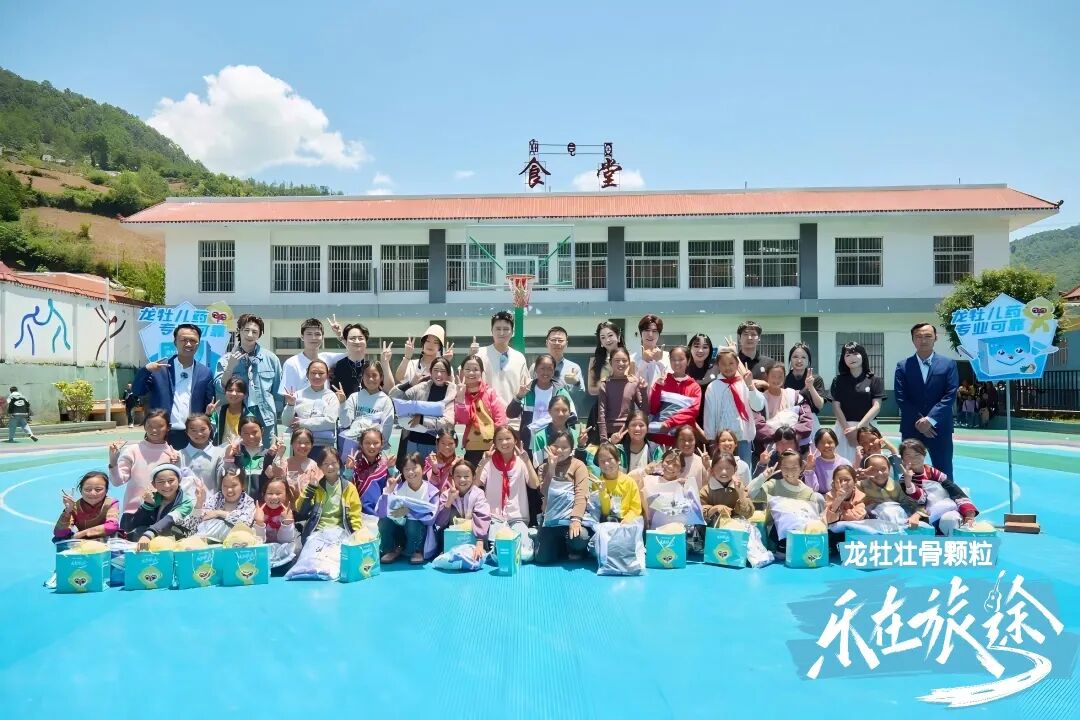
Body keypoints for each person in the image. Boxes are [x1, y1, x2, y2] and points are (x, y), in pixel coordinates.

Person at [133, 324, 216, 450]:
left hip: (193, 435)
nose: (188, 344)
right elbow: (137, 391)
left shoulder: (205, 373)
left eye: (193, 340)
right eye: (183, 340)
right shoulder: (159, 369)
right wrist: (145, 370)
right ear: (175, 342)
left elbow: (208, 404)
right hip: (163, 435)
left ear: (198, 344)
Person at [895, 322, 959, 481]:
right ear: (913, 340)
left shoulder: (948, 364)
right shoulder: (903, 366)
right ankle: (911, 495)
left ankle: (948, 496)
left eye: (928, 336)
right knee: (910, 469)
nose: (923, 340)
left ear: (936, 338)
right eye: (918, 337)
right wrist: (920, 421)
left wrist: (930, 420)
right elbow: (901, 397)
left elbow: (950, 394)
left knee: (943, 469)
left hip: (940, 427)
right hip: (911, 426)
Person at [215, 314, 283, 449]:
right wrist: (230, 367)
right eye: (246, 330)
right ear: (239, 331)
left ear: (260, 334)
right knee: (237, 454)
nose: (250, 335)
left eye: (255, 332)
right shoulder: (226, 359)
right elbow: (220, 387)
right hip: (236, 414)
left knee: (267, 454)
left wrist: (275, 414)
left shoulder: (271, 359)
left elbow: (278, 392)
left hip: (265, 416)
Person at [476, 425, 539, 562]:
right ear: (494, 442)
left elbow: (534, 484)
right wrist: (483, 462)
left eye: (508, 438)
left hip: (517, 518)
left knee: (526, 556)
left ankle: (530, 538)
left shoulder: (521, 461)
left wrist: (527, 460)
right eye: (500, 439)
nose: (504, 442)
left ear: (515, 440)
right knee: (497, 555)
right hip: (494, 518)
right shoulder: (488, 461)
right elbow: (476, 484)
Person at [899, 439, 978, 535]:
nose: (914, 459)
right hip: (920, 516)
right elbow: (921, 500)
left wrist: (969, 513)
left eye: (917, 455)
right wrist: (908, 482)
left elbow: (955, 491)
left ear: (924, 455)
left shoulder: (934, 473)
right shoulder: (903, 481)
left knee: (950, 519)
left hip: (943, 511)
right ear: (902, 459)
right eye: (908, 456)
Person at [534, 431, 591, 563]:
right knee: (542, 559)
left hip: (569, 520)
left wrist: (576, 519)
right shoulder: (543, 468)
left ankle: (574, 548)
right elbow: (543, 493)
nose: (559, 450)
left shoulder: (578, 465)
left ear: (571, 449)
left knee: (580, 538)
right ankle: (558, 545)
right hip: (550, 521)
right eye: (555, 446)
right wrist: (551, 469)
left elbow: (581, 494)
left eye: (565, 447)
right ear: (548, 446)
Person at [702, 346, 763, 464]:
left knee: (744, 469)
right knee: (723, 468)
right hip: (722, 440)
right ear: (718, 365)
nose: (728, 367)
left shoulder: (744, 383)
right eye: (723, 364)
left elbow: (758, 406)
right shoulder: (713, 386)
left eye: (731, 363)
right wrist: (711, 438)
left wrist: (750, 386)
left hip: (743, 437)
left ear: (737, 363)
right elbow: (710, 414)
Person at [110, 409, 175, 518]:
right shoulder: (133, 451)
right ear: (144, 426)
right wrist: (113, 461)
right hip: (134, 513)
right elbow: (117, 482)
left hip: (163, 515)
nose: (154, 430)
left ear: (168, 427)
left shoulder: (174, 455)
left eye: (160, 426)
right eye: (150, 426)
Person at [376, 453, 439, 564]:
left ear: (423, 469)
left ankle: (416, 551)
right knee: (384, 521)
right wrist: (387, 492)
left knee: (412, 522)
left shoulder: (431, 491)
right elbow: (381, 513)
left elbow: (431, 519)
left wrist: (409, 511)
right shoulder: (397, 488)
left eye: (414, 468)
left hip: (419, 532)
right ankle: (392, 549)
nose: (410, 472)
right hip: (400, 528)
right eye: (406, 469)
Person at [389, 356, 457, 458]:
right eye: (435, 370)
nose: (439, 374)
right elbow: (394, 397)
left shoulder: (452, 392)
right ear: (430, 372)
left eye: (443, 371)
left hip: (438, 446)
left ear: (448, 374)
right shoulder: (421, 387)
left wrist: (422, 419)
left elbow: (448, 422)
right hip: (413, 443)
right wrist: (410, 383)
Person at [294, 447, 364, 544]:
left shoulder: (349, 488)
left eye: (334, 463)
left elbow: (355, 514)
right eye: (325, 464)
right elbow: (300, 509)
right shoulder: (315, 487)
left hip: (341, 532)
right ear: (320, 466)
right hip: (318, 532)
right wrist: (310, 488)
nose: (330, 467)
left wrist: (355, 535)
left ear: (339, 464)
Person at [469, 311, 530, 423]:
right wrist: (470, 357)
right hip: (485, 419)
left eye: (506, 329)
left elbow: (525, 388)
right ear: (491, 331)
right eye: (498, 329)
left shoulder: (519, 357)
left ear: (512, 332)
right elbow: (466, 382)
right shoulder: (479, 354)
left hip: (512, 420)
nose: (502, 333)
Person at [829, 342, 885, 462]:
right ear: (843, 359)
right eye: (847, 355)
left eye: (855, 354)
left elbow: (876, 406)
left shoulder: (875, 380)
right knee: (843, 464)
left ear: (863, 355)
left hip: (868, 428)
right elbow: (836, 406)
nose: (851, 358)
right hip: (843, 429)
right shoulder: (838, 380)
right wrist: (848, 431)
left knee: (870, 462)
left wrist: (858, 429)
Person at [508, 353, 576, 452]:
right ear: (536, 369)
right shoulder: (527, 389)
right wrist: (519, 396)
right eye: (542, 368)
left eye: (550, 369)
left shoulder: (560, 391)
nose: (546, 372)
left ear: (554, 371)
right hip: (529, 442)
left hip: (554, 444)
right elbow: (511, 414)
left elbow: (571, 418)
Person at [455, 355, 508, 465]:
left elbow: (500, 420)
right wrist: (460, 399)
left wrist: (499, 443)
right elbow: (461, 422)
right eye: (467, 369)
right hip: (466, 448)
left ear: (481, 372)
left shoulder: (490, 393)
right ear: (462, 372)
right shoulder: (457, 393)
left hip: (491, 448)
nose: (471, 373)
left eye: (475, 369)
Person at [434, 459, 490, 562]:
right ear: (452, 477)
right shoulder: (446, 495)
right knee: (450, 511)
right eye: (458, 476)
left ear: (473, 477)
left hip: (474, 539)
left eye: (466, 476)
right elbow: (439, 523)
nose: (462, 480)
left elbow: (482, 516)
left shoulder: (479, 494)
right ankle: (445, 550)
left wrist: (480, 542)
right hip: (452, 541)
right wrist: (449, 502)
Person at [130, 464, 195, 549]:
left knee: (172, 530)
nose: (166, 485)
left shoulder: (186, 503)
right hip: (155, 533)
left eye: (171, 480)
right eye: (160, 482)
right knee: (139, 530)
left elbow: (169, 519)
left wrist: (148, 535)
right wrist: (148, 504)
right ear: (154, 484)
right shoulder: (152, 497)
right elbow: (138, 522)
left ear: (179, 480)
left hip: (176, 536)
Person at [648, 346, 702, 447]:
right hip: (659, 438)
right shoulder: (662, 380)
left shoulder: (694, 387)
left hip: (681, 441)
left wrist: (669, 423)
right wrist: (657, 388)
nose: (677, 363)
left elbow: (693, 411)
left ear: (688, 361)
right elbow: (653, 409)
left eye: (681, 359)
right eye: (673, 359)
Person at [282, 360, 340, 451]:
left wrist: (302, 423)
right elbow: (286, 422)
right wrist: (290, 405)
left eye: (321, 373)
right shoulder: (297, 395)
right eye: (313, 373)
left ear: (327, 375)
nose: (317, 376)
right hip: (299, 446)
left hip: (324, 446)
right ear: (307, 374)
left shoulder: (331, 396)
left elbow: (330, 422)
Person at [754, 361, 813, 452]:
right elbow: (758, 423)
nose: (776, 380)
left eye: (780, 377)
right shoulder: (759, 399)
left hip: (795, 444)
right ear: (767, 376)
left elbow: (807, 417)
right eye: (773, 376)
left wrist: (794, 435)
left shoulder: (794, 396)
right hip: (770, 447)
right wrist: (779, 437)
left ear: (784, 377)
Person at [279, 319, 344, 400]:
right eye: (309, 334)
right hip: (301, 407)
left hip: (326, 407)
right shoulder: (291, 363)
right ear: (302, 337)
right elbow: (288, 395)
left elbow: (353, 353)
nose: (313, 338)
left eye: (317, 334)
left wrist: (340, 336)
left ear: (322, 337)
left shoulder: (327, 358)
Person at [335, 361, 395, 450]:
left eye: (374, 375)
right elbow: (345, 423)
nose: (371, 379)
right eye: (367, 375)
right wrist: (343, 403)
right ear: (362, 377)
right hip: (353, 447)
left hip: (373, 448)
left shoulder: (386, 400)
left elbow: (387, 427)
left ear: (381, 377)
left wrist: (378, 446)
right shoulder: (354, 397)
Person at [332, 322, 395, 398]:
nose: (357, 341)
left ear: (366, 342)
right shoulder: (338, 366)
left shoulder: (372, 367)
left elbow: (390, 391)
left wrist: (385, 363)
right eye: (352, 338)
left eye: (360, 338)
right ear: (346, 341)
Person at [53, 471, 120, 542]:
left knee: (116, 535)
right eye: (87, 489)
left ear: (106, 490)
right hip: (84, 541)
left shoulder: (110, 503)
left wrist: (81, 534)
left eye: (98, 490)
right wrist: (68, 511)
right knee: (58, 539)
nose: (93, 493)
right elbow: (59, 533)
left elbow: (112, 526)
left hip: (106, 540)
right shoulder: (75, 507)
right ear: (81, 491)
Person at [596, 347, 644, 443]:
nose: (621, 363)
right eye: (617, 361)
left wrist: (644, 390)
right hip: (610, 432)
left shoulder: (633, 382)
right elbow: (601, 413)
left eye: (624, 360)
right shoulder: (605, 384)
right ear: (610, 362)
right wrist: (604, 440)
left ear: (629, 362)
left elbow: (644, 409)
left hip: (629, 432)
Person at [594, 442, 643, 525]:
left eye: (609, 459)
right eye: (602, 461)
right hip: (605, 523)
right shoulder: (597, 483)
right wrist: (602, 492)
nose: (606, 464)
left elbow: (636, 508)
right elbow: (604, 511)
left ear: (618, 460)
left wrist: (627, 519)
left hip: (626, 523)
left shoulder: (629, 482)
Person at [700, 451, 754, 524]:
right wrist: (714, 509)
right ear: (712, 470)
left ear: (735, 469)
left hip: (736, 528)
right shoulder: (706, 490)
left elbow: (748, 514)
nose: (724, 472)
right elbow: (698, 513)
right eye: (719, 468)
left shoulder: (740, 488)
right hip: (712, 529)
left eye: (728, 468)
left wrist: (741, 495)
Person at [179, 413, 224, 494]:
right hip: (187, 501)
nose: (199, 434)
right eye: (193, 430)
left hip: (213, 500)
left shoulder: (220, 453)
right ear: (187, 432)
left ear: (210, 429)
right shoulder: (179, 455)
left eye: (203, 429)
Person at [803, 428, 852, 495]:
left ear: (836, 443)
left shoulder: (845, 463)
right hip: (821, 498)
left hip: (843, 496)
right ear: (816, 445)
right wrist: (809, 468)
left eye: (830, 442)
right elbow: (812, 489)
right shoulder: (814, 463)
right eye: (822, 443)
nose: (826, 445)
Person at [630, 314, 670, 393]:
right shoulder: (631, 358)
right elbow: (630, 384)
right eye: (647, 330)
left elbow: (670, 382)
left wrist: (659, 362)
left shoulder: (667, 357)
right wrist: (644, 362)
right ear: (641, 333)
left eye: (654, 331)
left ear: (659, 334)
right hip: (639, 400)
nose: (650, 334)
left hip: (660, 400)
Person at [539, 326, 583, 393]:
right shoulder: (536, 366)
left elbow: (581, 395)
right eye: (553, 340)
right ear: (547, 343)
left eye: (560, 340)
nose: (557, 343)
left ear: (566, 344)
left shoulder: (574, 368)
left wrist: (576, 382)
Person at [211, 377, 247, 445]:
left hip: (240, 451)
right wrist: (208, 414)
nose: (234, 393)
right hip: (220, 450)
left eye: (238, 391)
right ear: (225, 392)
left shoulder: (248, 415)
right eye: (230, 390)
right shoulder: (218, 412)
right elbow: (207, 431)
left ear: (245, 395)